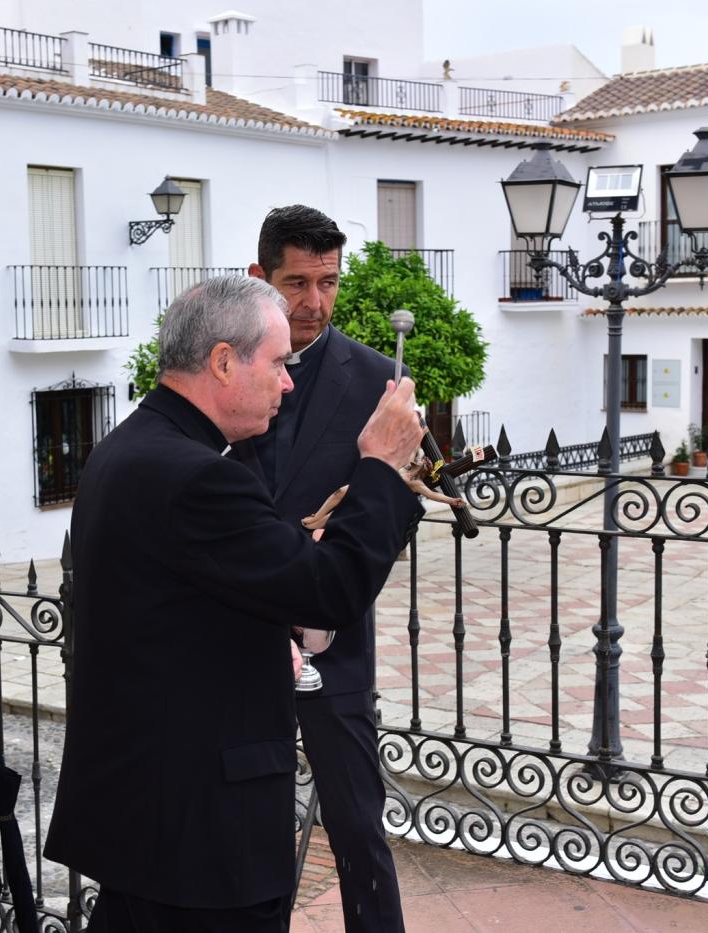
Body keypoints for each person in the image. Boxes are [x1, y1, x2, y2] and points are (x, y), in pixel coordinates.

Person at [43, 275, 424, 932]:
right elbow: (330, 590)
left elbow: (171, 612)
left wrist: (254, 643)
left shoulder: (131, 447)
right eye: (276, 363)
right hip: (200, 840)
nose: (288, 382)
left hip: (145, 820)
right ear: (223, 361)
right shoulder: (197, 475)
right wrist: (381, 467)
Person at [233, 204, 407, 932]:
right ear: (258, 278)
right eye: (296, 282)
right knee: (247, 826)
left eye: (328, 283)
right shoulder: (224, 367)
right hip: (236, 640)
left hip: (334, 644)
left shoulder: (376, 374)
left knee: (360, 827)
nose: (313, 302)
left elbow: (403, 499)